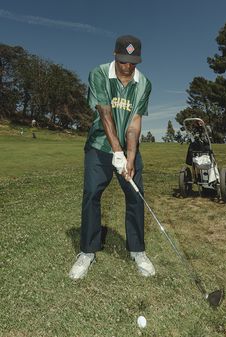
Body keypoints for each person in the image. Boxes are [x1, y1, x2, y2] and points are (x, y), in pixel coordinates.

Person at [69, 35, 155, 280]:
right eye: (123, 61)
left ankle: (138, 250)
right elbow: (105, 114)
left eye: (133, 62)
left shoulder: (144, 84)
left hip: (125, 149)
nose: (128, 67)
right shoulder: (98, 74)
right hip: (99, 146)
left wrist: (129, 156)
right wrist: (116, 152)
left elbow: (134, 124)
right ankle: (87, 251)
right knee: (92, 195)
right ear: (115, 55)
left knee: (136, 197)